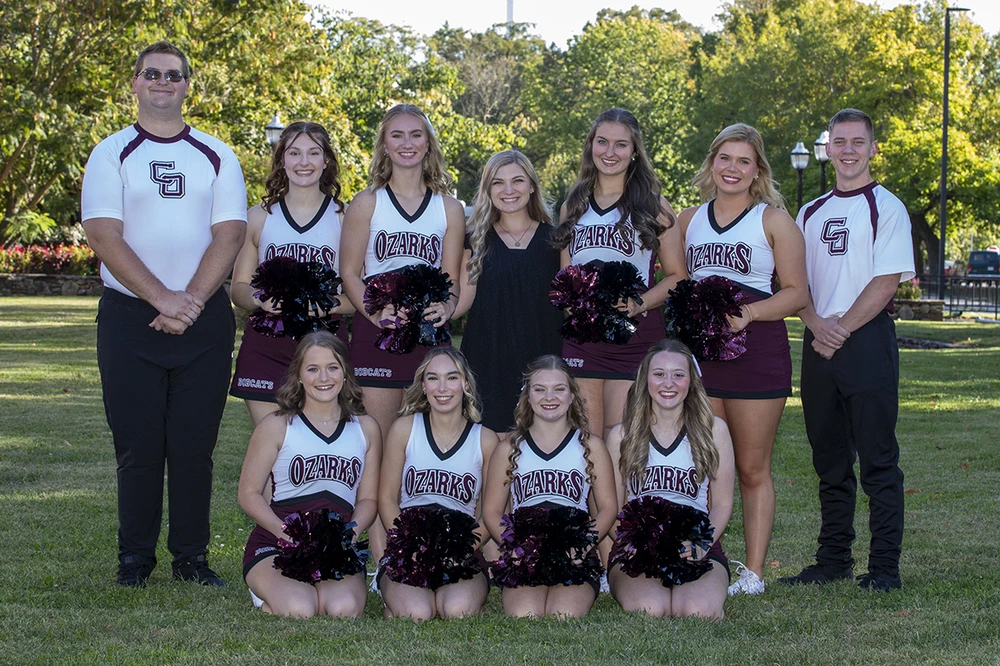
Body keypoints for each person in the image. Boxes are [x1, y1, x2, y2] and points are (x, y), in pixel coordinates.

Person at [81, 41, 247, 587]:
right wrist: (161, 298)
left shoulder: (216, 153)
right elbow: (104, 233)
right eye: (151, 73)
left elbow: (230, 233)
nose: (162, 82)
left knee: (194, 448)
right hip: (132, 321)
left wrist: (190, 301)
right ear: (134, 82)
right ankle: (135, 559)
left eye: (173, 75)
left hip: (203, 322)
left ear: (186, 84)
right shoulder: (111, 153)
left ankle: (192, 559)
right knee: (138, 446)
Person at [780, 109, 914, 592]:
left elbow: (885, 280)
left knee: (878, 458)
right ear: (829, 148)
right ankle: (832, 559)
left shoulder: (887, 207)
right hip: (819, 343)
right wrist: (816, 323)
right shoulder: (809, 212)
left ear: (873, 148)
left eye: (859, 141)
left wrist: (840, 329)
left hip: (867, 342)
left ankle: (883, 568)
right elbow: (797, 282)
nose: (849, 150)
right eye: (840, 141)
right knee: (829, 460)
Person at [678, 124, 808, 596]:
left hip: (757, 354)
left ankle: (752, 573)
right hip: (700, 359)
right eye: (725, 158)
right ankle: (698, 555)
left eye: (743, 161)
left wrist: (747, 313)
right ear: (711, 162)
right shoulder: (687, 218)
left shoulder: (773, 220)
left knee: (752, 468)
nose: (732, 168)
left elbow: (797, 292)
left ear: (758, 171)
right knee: (700, 462)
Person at [553, 108, 687, 439]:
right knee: (585, 441)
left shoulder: (654, 205)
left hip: (635, 336)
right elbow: (565, 277)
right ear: (590, 146)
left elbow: (678, 277)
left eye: (621, 144)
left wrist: (639, 302)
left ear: (635, 151)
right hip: (584, 339)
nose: (610, 153)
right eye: (602, 142)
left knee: (620, 439)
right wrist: (579, 305)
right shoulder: (573, 206)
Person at [238, 332, 381, 617]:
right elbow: (248, 494)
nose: (323, 377)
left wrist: (349, 535)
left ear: (344, 373)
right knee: (300, 608)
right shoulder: (277, 425)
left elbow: (368, 499)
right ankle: (263, 591)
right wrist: (286, 534)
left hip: (335, 545)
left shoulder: (365, 428)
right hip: (277, 543)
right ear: (299, 376)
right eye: (313, 369)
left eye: (332, 367)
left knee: (345, 609)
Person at [229, 121, 354, 426]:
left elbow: (358, 296)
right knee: (271, 443)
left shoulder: (345, 217)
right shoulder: (258, 217)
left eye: (313, 153)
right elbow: (238, 289)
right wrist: (260, 299)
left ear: (326, 161)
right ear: (282, 159)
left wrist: (325, 304)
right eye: (294, 153)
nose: (303, 162)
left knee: (317, 444)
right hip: (267, 343)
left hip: (324, 345)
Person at [606, 339, 736, 620]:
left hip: (696, 542)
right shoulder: (620, 436)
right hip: (636, 548)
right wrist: (636, 546)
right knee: (649, 609)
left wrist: (703, 543)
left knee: (697, 612)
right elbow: (613, 510)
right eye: (659, 374)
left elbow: (723, 504)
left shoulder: (714, 431)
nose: (669, 383)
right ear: (645, 379)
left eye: (678, 374)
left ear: (691, 381)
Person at [482, 355, 618, 618]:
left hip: (572, 549)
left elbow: (608, 507)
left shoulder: (591, 446)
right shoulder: (509, 447)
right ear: (527, 396)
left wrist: (584, 543)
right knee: (525, 614)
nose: (549, 397)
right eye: (540, 389)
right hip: (526, 548)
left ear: (571, 395)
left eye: (559, 389)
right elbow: (491, 511)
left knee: (563, 614)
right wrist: (515, 547)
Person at [378, 348, 499, 620]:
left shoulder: (486, 440)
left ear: (465, 384)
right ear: (423, 385)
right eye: (433, 378)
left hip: (460, 546)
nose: (442, 388)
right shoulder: (404, 429)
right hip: (409, 543)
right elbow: (386, 499)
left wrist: (463, 550)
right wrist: (405, 545)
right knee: (416, 613)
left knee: (458, 610)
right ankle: (395, 600)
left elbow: (490, 513)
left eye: (452, 378)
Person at [455, 150, 563, 432]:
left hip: (541, 358)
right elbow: (462, 301)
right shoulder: (474, 240)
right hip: (488, 360)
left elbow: (570, 304)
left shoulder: (557, 241)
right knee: (493, 453)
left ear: (532, 186)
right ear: (488, 190)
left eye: (517, 180)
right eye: (498, 183)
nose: (509, 190)